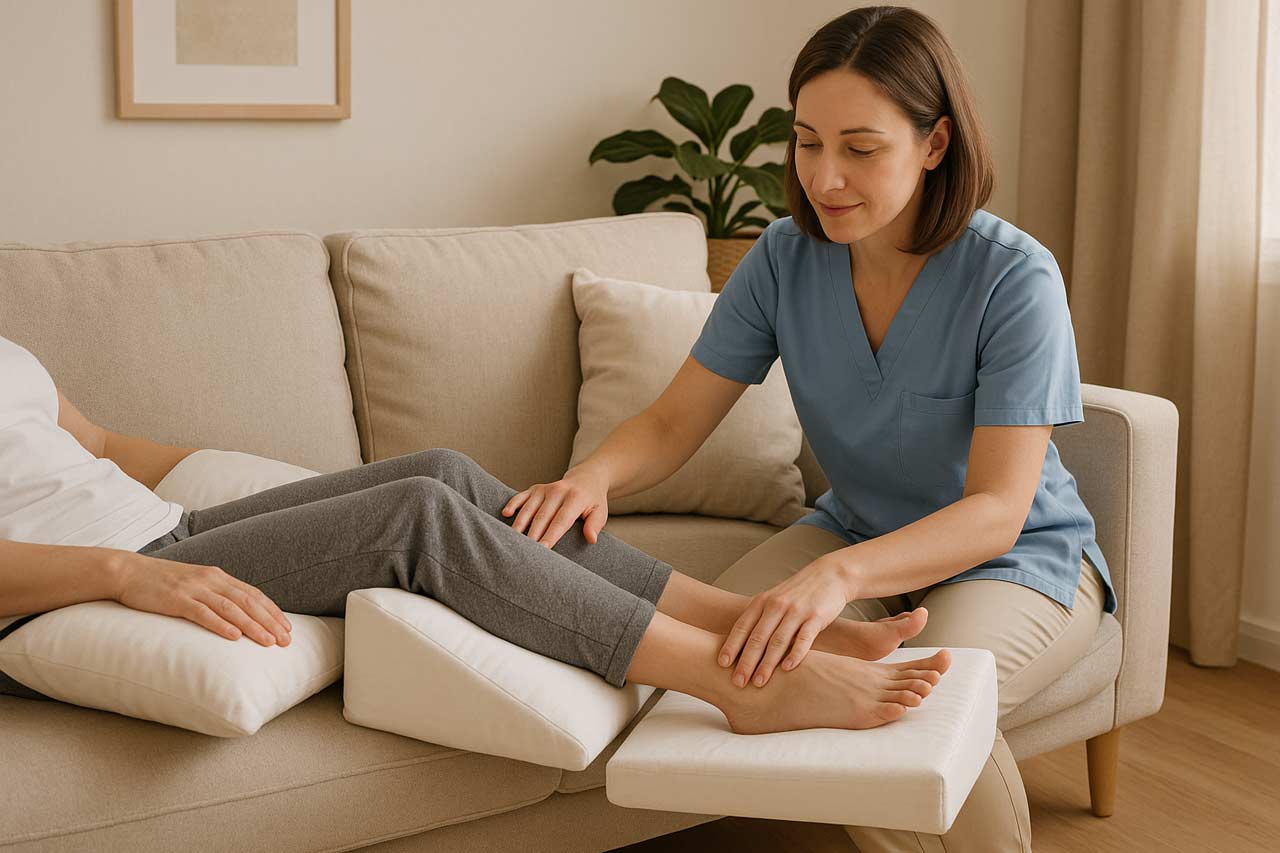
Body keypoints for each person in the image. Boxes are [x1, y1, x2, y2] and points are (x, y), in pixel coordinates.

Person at [502, 6, 1117, 852]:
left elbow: (999, 509)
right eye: (807, 141)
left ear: (934, 143)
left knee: (927, 707)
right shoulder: (785, 258)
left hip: (1014, 558)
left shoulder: (1013, 278)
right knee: (754, 664)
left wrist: (836, 575)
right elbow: (678, 416)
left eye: (861, 148)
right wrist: (592, 479)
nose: (826, 176)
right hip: (855, 530)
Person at [0, 331, 952, 734]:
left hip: (170, 525)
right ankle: (741, 680)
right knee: (416, 520)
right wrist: (125, 573)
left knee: (443, 473)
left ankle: (748, 617)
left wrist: (292, 499)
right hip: (94, 574)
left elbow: (93, 440)